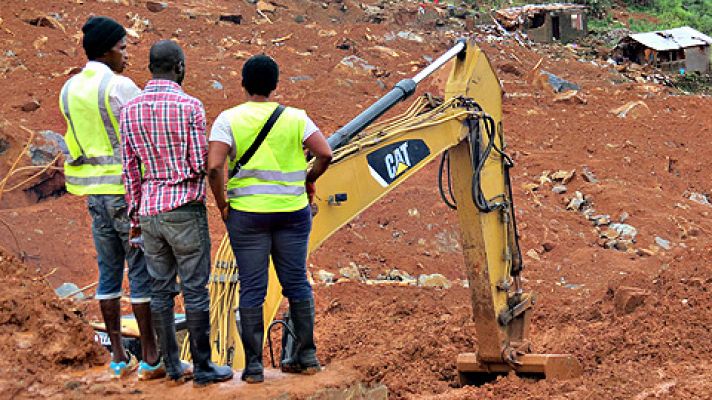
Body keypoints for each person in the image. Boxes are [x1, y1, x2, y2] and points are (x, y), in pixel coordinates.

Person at [207, 54, 332, 383]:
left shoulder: (227, 119)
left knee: (252, 289)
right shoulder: (297, 118)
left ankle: (253, 368)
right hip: (292, 214)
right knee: (296, 284)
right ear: (275, 85)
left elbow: (214, 166)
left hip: (247, 217)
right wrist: (307, 179)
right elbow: (325, 153)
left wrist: (222, 204)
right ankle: (307, 356)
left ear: (243, 84)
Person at [120, 40, 234, 386]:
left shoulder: (130, 109)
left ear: (150, 67)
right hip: (184, 207)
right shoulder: (190, 107)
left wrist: (135, 220)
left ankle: (172, 366)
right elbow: (199, 162)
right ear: (180, 67)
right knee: (196, 289)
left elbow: (130, 171)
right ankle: (202, 368)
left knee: (160, 291)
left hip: (149, 210)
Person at [59, 16, 160, 379]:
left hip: (94, 194)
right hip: (126, 193)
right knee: (140, 270)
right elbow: (144, 134)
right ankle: (150, 355)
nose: (125, 56)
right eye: (122, 48)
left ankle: (118, 356)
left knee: (107, 273)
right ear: (106, 51)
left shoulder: (68, 89)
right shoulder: (120, 87)